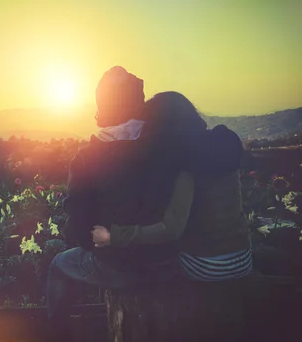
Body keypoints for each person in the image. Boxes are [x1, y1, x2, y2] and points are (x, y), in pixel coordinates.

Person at [46, 68, 186, 340]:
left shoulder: (87, 157)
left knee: (58, 266)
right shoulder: (166, 146)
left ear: (103, 105)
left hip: (119, 267)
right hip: (166, 262)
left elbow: (80, 231)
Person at [92, 92, 252, 282]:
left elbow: (171, 228)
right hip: (243, 258)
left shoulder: (185, 162)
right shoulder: (222, 144)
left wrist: (112, 237)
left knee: (143, 265)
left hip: (207, 266)